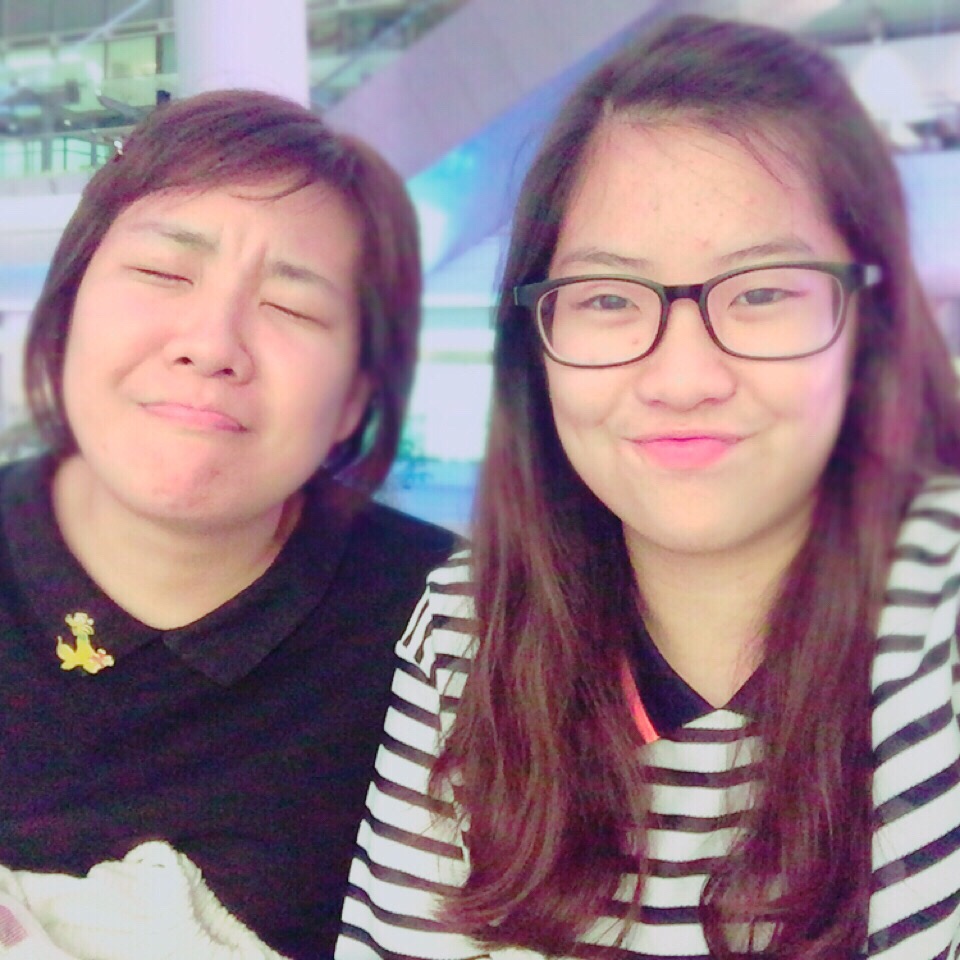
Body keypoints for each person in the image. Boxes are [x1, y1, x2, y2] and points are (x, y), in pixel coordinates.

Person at [336, 14, 960, 960]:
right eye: (607, 298)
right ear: (536, 346)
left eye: (761, 291)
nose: (681, 376)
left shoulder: (933, 620)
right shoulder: (469, 629)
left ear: (869, 326)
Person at [0, 89, 454, 960]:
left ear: (355, 396)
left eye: (294, 308)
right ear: (65, 311)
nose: (212, 345)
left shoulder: (458, 635)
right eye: (164, 273)